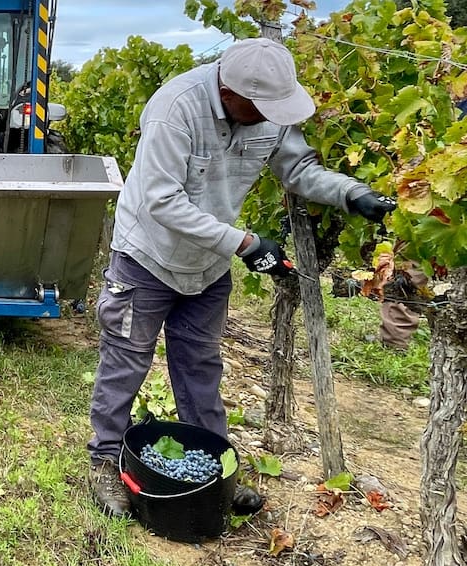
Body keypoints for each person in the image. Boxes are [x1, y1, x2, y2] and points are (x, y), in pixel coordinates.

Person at [86, 38, 397, 518]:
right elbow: (161, 200)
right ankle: (105, 462)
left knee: (201, 366)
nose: (273, 116)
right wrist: (246, 244)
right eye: (263, 108)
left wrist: (351, 192)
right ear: (229, 93)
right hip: (147, 257)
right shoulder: (176, 108)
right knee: (126, 361)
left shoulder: (267, 111)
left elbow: (297, 168)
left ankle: (214, 466)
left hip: (208, 265)